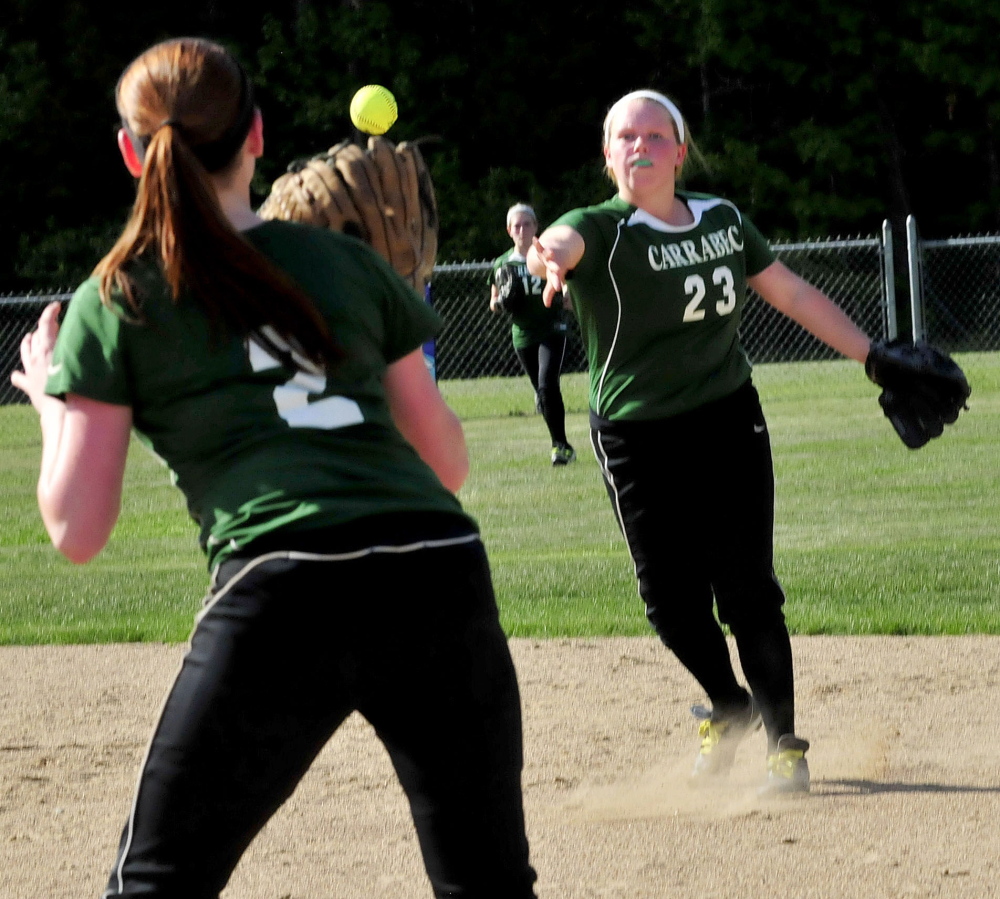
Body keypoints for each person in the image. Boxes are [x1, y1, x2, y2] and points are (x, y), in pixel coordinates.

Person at [11, 37, 537, 898]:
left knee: (155, 885)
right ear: (256, 135)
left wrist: (52, 404)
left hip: (284, 592)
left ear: (130, 153)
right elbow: (445, 461)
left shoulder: (122, 294)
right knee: (490, 884)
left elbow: (77, 530)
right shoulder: (347, 263)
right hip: (437, 570)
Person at [528, 89, 873, 796]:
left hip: (726, 420)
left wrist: (875, 356)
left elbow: (792, 294)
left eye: (656, 135)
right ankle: (727, 700)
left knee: (749, 590)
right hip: (634, 435)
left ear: (680, 151)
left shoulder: (722, 220)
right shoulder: (598, 226)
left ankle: (785, 744)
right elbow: (560, 244)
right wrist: (547, 261)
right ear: (606, 153)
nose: (640, 147)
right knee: (667, 599)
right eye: (625, 136)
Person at [489, 203, 576, 465]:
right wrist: (502, 301)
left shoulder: (549, 257)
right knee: (542, 390)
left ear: (536, 227)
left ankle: (560, 447)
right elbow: (493, 302)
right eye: (517, 225)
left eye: (527, 224)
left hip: (552, 327)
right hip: (523, 334)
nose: (522, 230)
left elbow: (569, 295)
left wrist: (567, 296)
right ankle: (544, 402)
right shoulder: (503, 263)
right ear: (509, 230)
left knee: (548, 384)